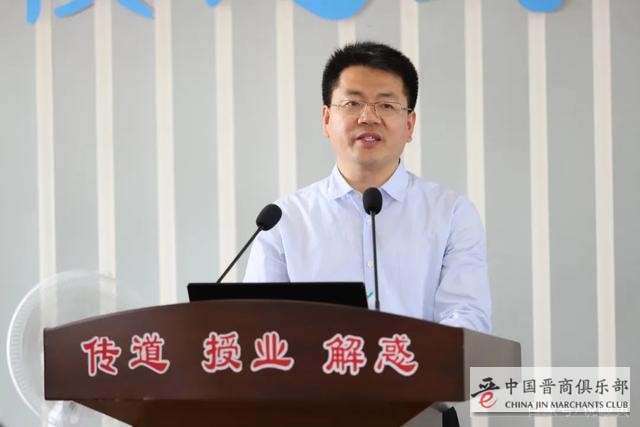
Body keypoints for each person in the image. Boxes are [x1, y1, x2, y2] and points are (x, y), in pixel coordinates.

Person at [244, 41, 491, 333]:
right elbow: (257, 326)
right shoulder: (283, 221)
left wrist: (399, 354)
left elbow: (467, 319)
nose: (369, 117)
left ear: (409, 124)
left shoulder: (450, 213)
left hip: (414, 364)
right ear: (326, 119)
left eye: (386, 105)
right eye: (353, 103)